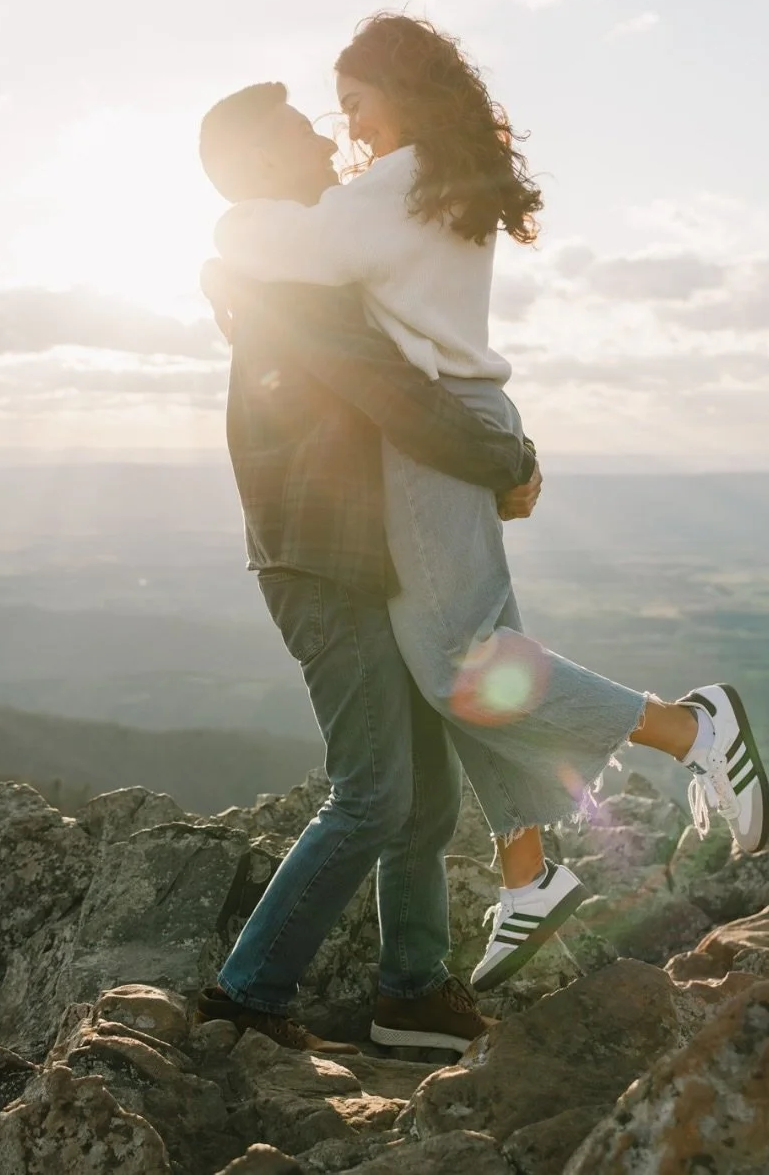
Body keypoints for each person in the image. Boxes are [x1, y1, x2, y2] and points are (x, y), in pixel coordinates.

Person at [209, 13, 769, 993]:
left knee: (462, 672)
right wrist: (500, 449)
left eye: (348, 105)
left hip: (429, 440)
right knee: (471, 662)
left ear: (398, 92)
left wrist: (495, 454)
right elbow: (355, 317)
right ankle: (524, 875)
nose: (336, 130)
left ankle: (690, 731)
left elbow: (326, 287)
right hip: (410, 459)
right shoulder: (412, 189)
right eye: (320, 115)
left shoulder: (385, 191)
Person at [193, 81, 542, 1053]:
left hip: (363, 556)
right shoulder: (289, 285)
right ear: (264, 164)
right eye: (303, 130)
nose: (326, 137)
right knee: (376, 792)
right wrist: (509, 459)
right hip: (319, 562)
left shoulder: (308, 263)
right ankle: (246, 1000)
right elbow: (396, 395)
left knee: (423, 798)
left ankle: (411, 994)